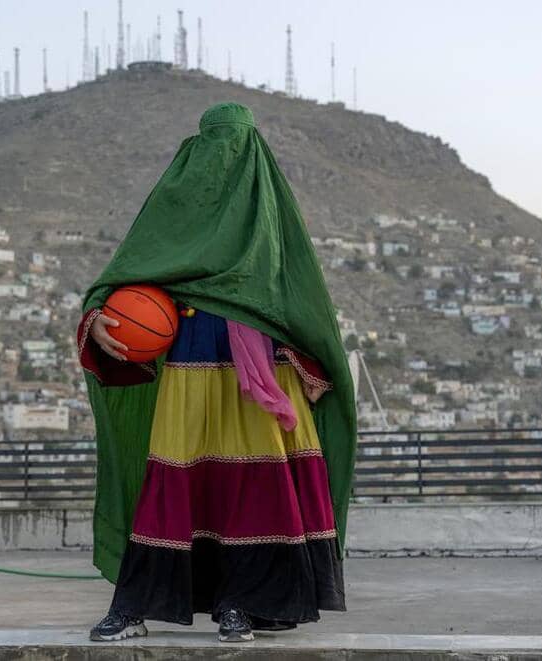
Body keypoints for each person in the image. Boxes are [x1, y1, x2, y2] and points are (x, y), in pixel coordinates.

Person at [75, 102, 357, 643]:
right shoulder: (173, 206)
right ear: (193, 147)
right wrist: (101, 320)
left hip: (265, 374)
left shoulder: (270, 215)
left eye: (232, 142)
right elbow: (125, 274)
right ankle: (133, 605)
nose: (222, 155)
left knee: (257, 487)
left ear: (252, 150)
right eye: (213, 142)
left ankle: (242, 604)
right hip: (188, 368)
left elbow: (303, 303)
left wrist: (310, 360)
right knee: (172, 483)